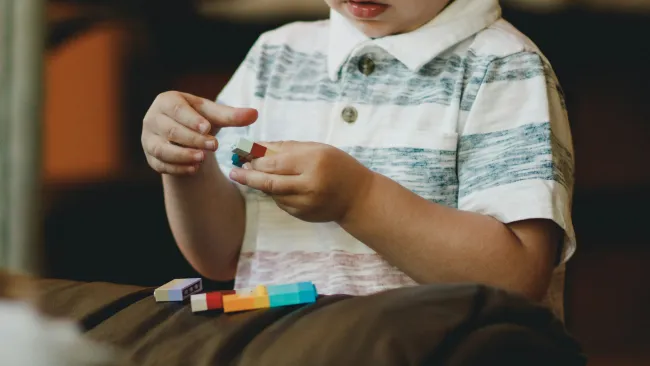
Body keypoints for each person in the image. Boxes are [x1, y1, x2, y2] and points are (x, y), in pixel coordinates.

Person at [141, 0, 575, 319]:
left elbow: (517, 279)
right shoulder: (276, 54)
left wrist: (359, 199)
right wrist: (187, 163)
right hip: (278, 347)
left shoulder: (503, 66)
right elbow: (224, 255)